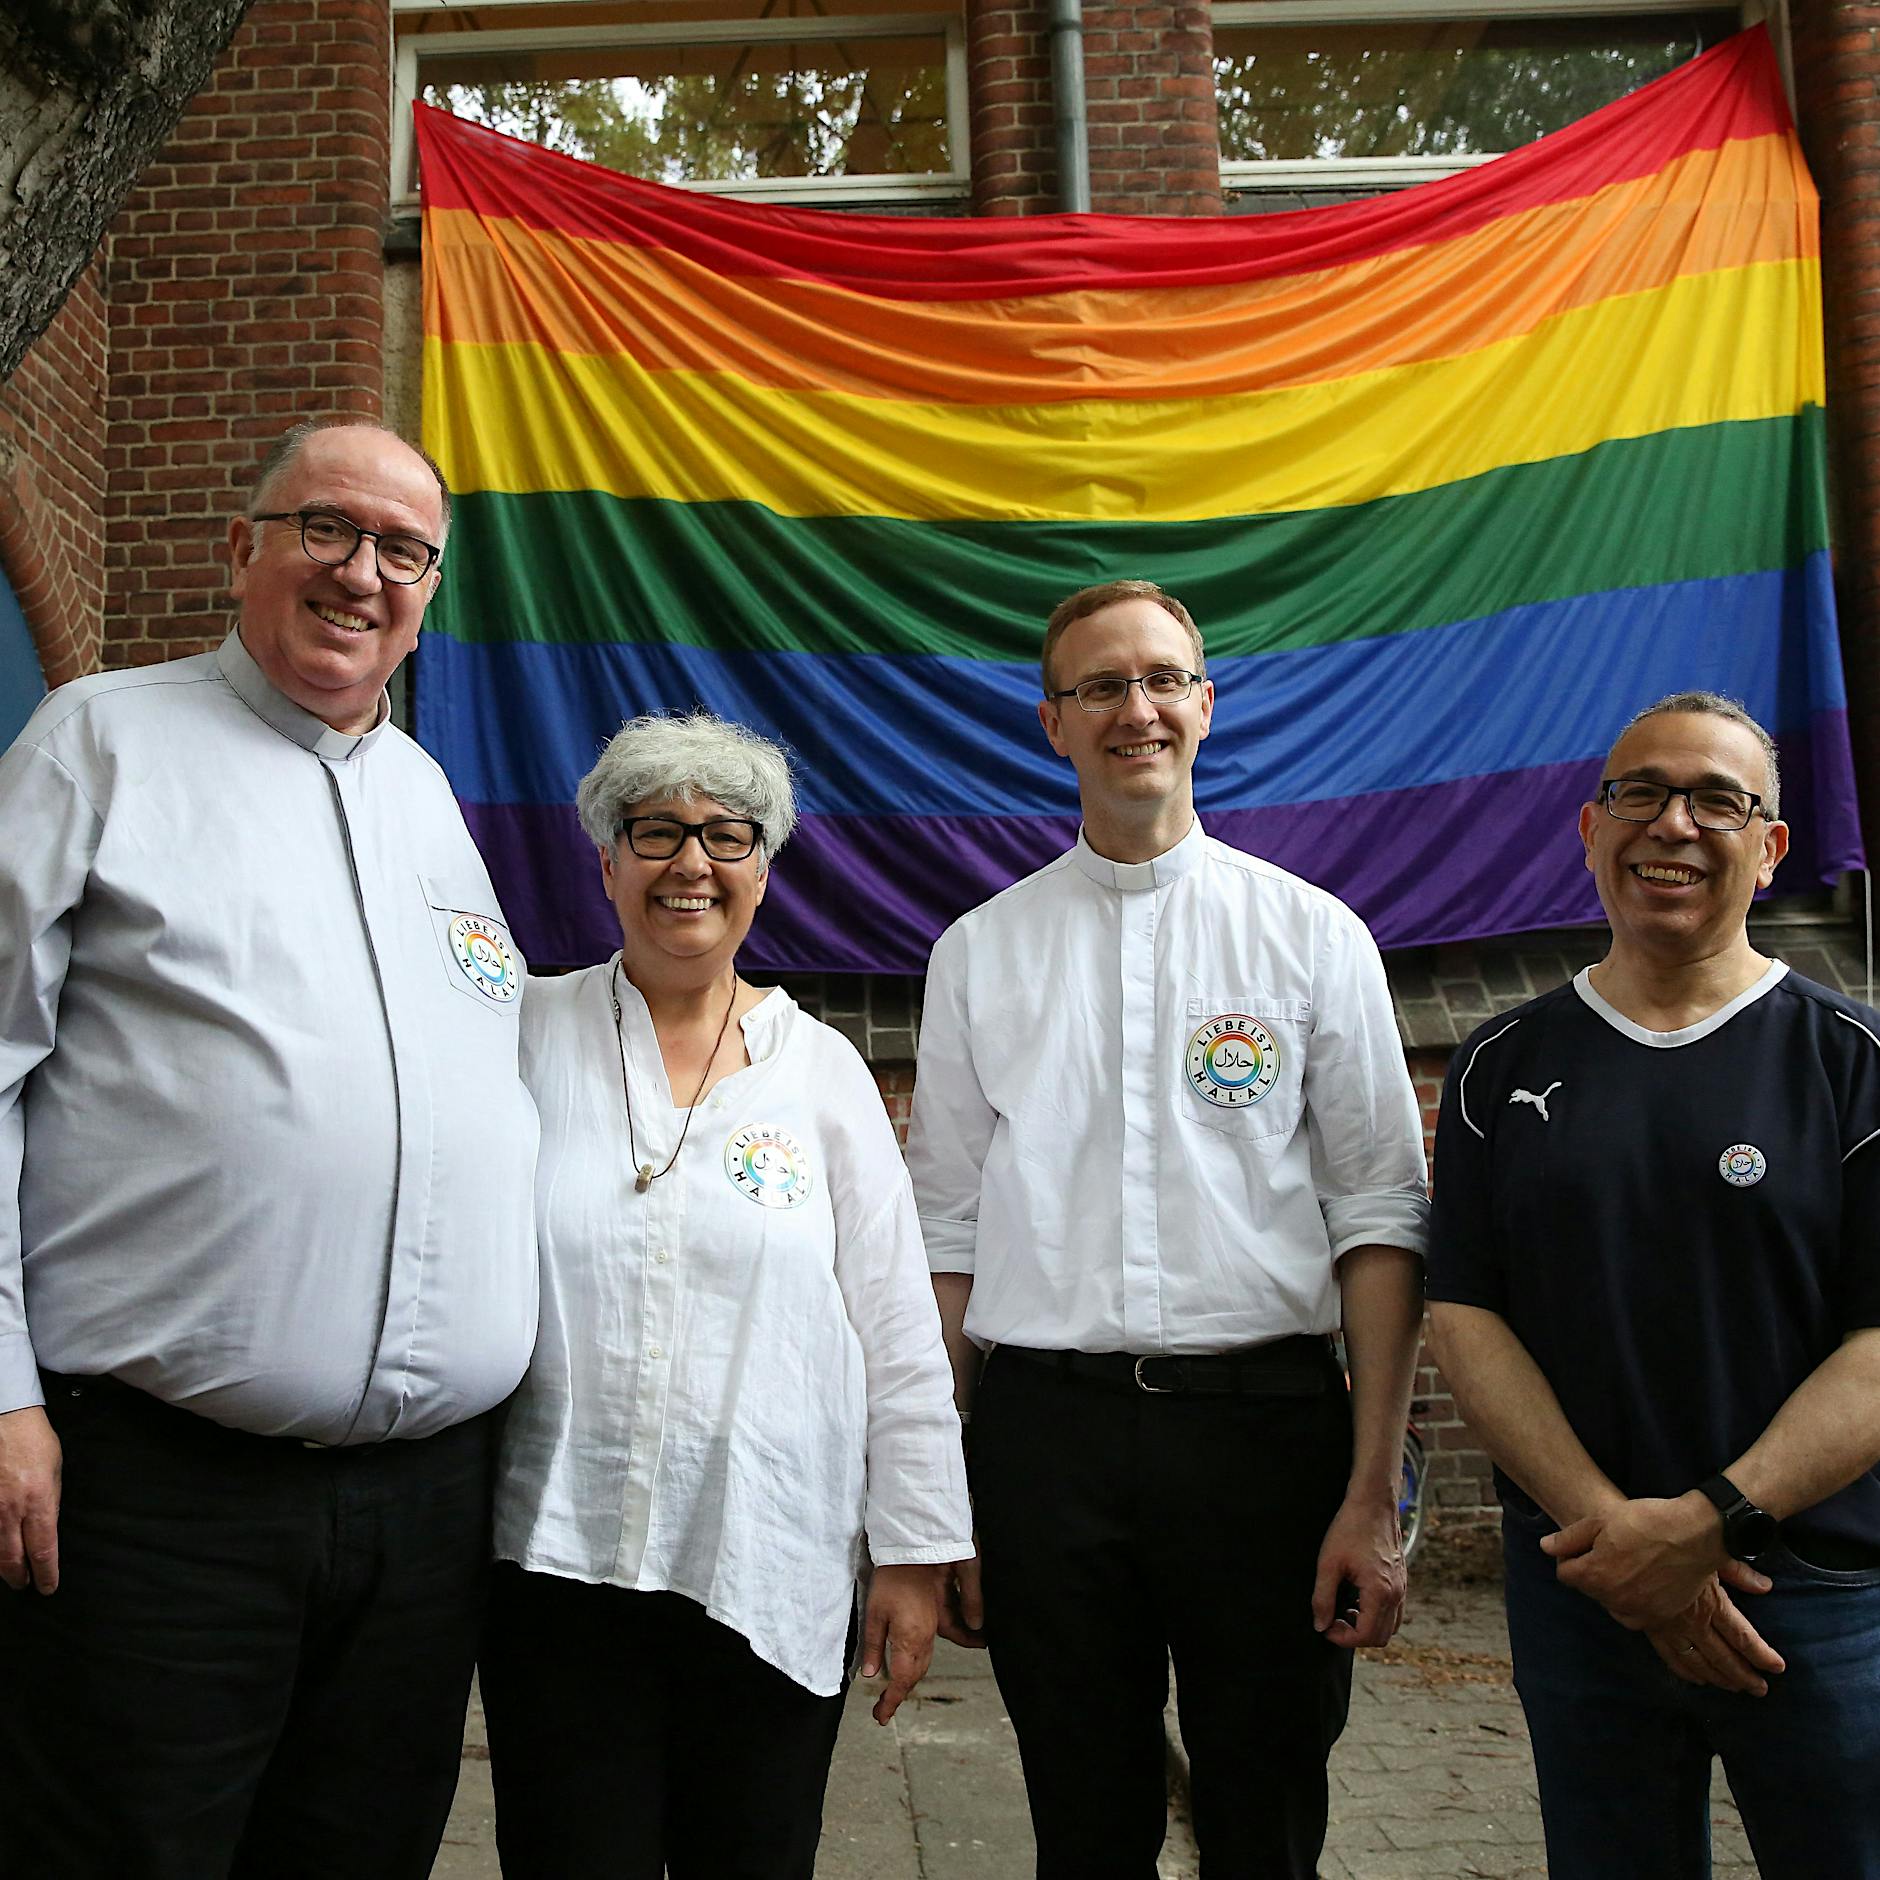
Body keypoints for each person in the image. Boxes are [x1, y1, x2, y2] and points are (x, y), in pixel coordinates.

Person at [0, 419, 539, 1878]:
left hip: (424, 1516)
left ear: (432, 591)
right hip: (167, 1504)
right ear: (241, 547)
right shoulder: (99, 739)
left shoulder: (426, 799)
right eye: (329, 529)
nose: (364, 573)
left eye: (405, 552)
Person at [905, 579, 1429, 1878]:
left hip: (1267, 1442)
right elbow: (950, 1237)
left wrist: (1374, 1492)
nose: (1133, 708)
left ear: (1203, 703)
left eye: (1158, 680)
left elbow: (1379, 1217)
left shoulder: (1311, 938)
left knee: (1265, 1824)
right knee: (1085, 1829)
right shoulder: (982, 952)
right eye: (1099, 687)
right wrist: (939, 1498)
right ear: (1054, 724)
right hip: (1047, 1447)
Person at [483, 711, 973, 1880]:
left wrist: (911, 1551)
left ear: (763, 866)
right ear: (604, 860)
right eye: (654, 831)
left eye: (725, 834)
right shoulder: (524, 1031)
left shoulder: (823, 1072)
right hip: (556, 1560)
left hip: (762, 1555)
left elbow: (896, 1324)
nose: (690, 863)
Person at [1427, 691, 1880, 1879]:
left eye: (1715, 798)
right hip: (1581, 1587)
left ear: (1770, 843)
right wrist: (1617, 1539)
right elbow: (1466, 1312)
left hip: (1817, 1594)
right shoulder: (1497, 1063)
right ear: (1589, 827)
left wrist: (1702, 1525)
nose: (1670, 823)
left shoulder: (1851, 1059)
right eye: (1638, 792)